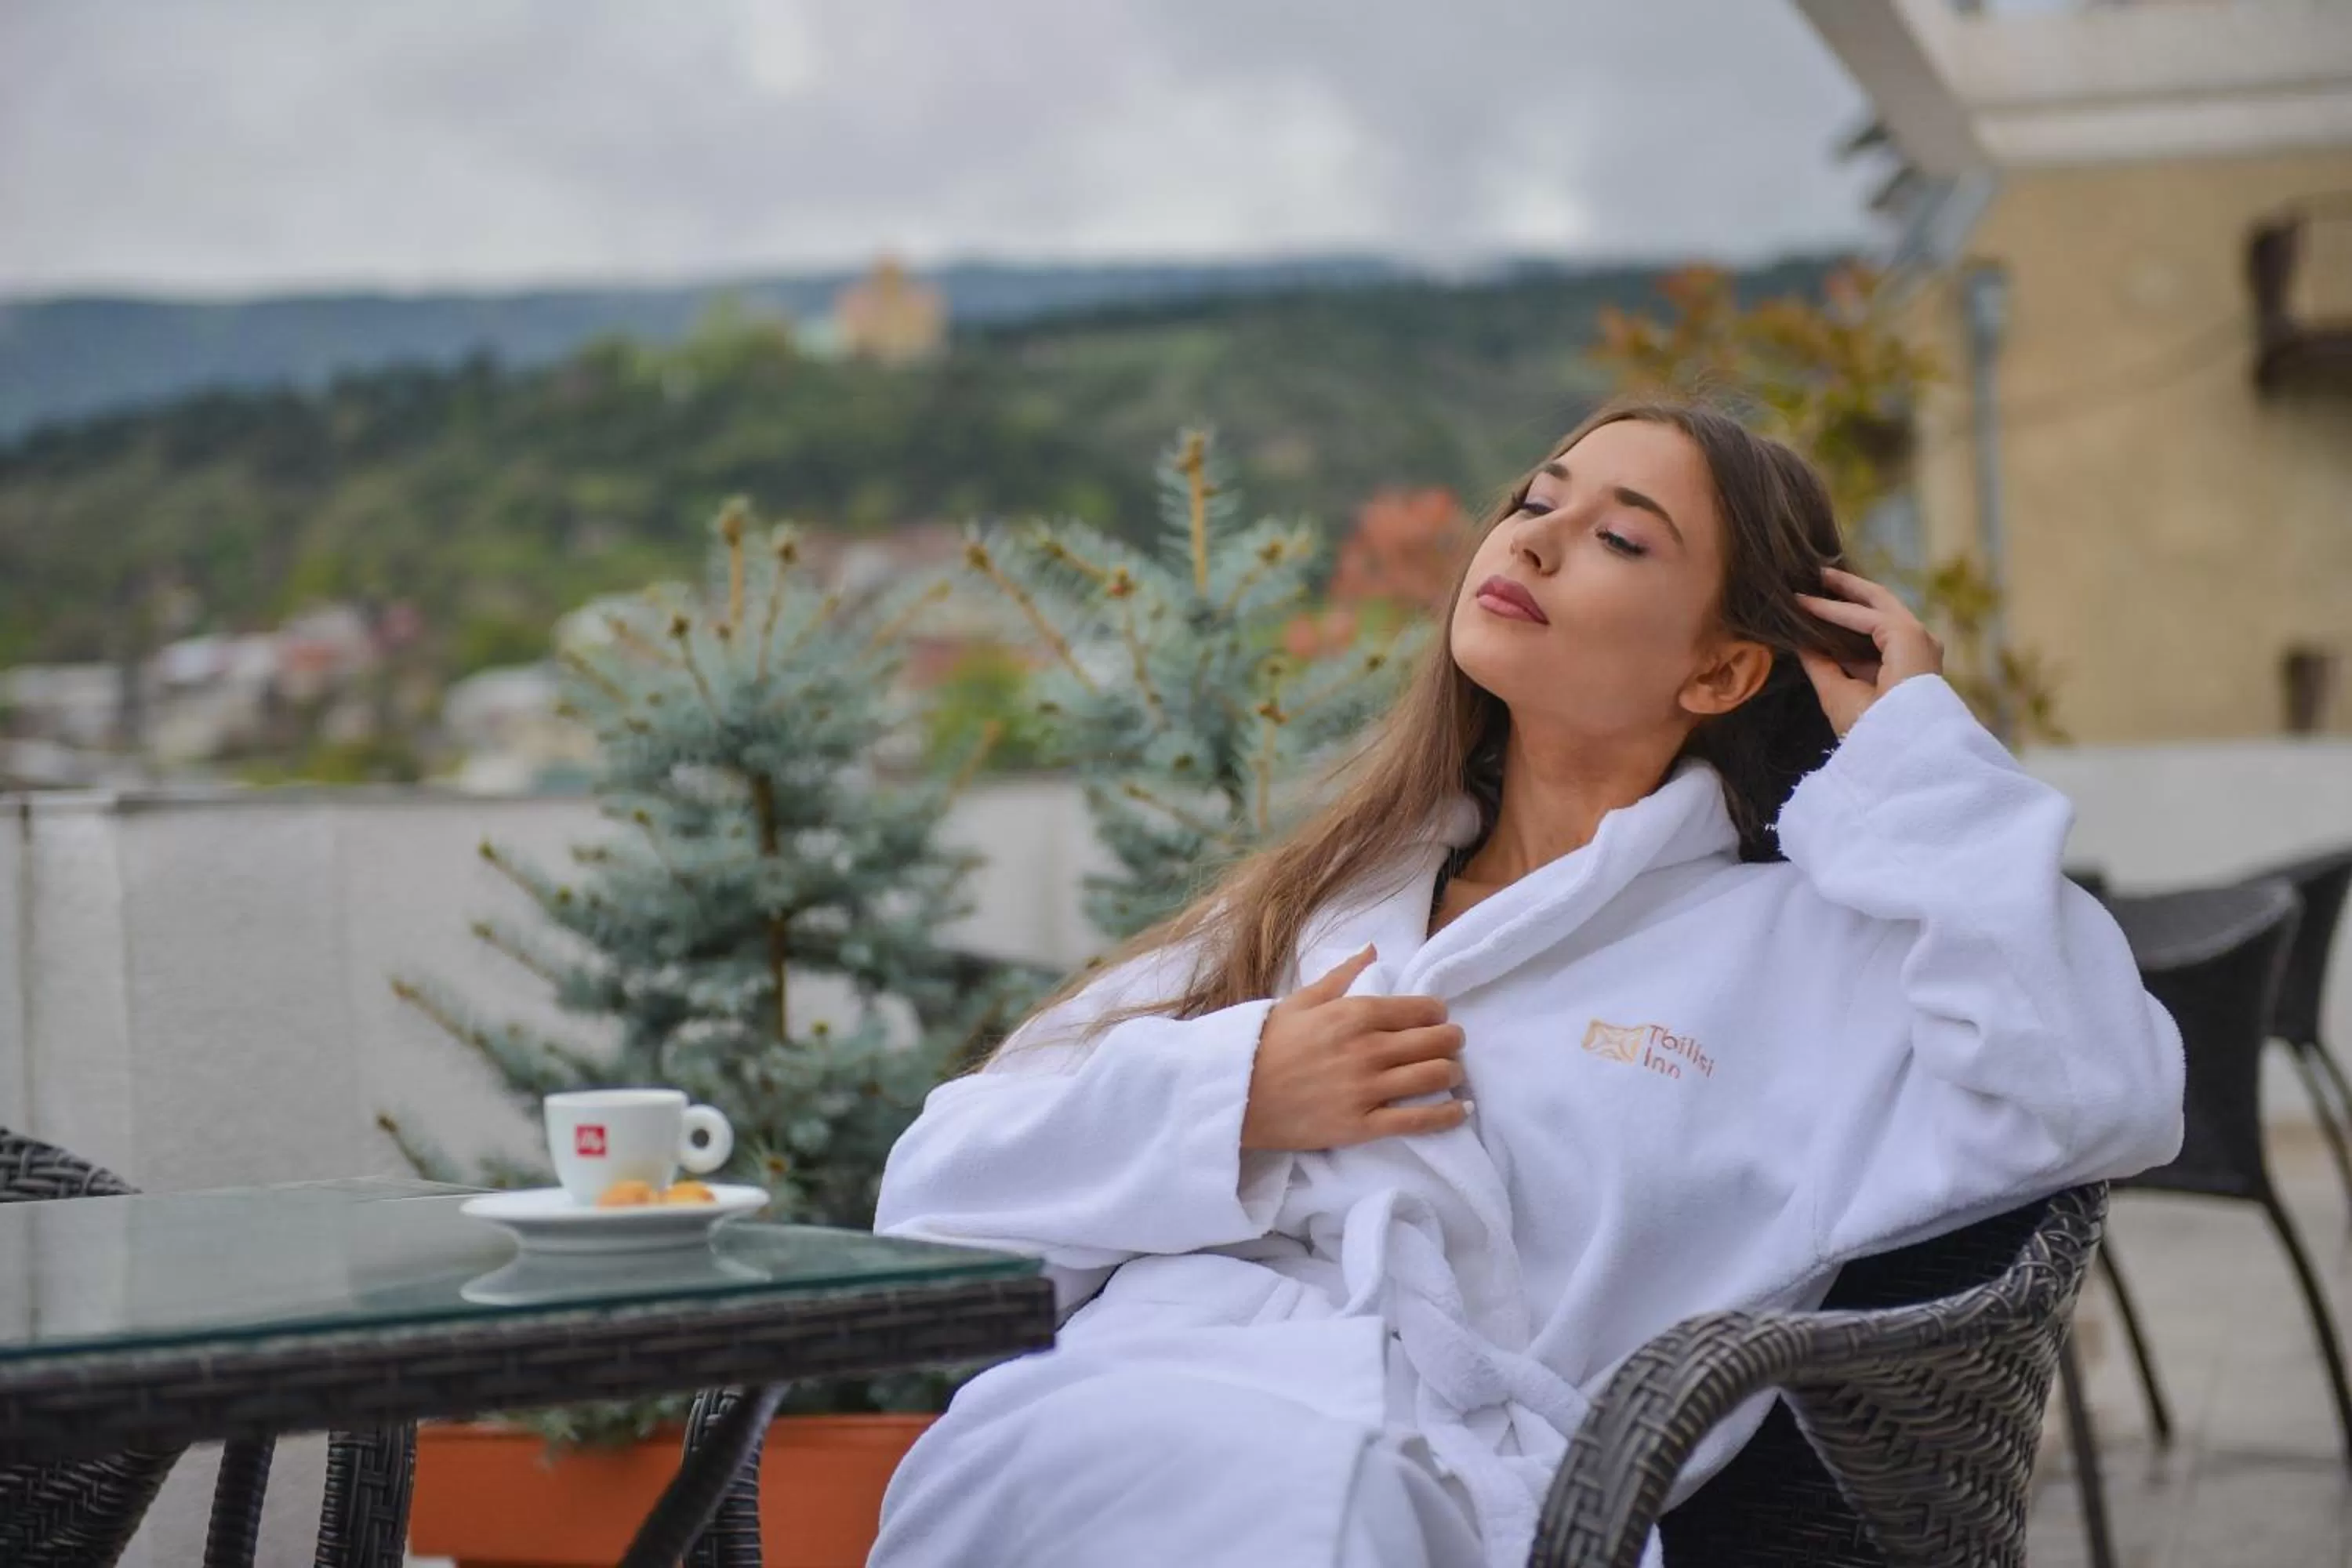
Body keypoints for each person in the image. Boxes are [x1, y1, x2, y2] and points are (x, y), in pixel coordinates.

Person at [866, 401, 2184, 1568]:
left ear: (1721, 669)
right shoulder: (1323, 902)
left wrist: (1911, 755)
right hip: (1111, 1404)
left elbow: (2097, 1085)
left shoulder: (1799, 949)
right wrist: (1236, 1099)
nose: (1535, 542)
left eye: (1621, 537)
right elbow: (935, 1196)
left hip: (1416, 1479)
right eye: (1534, 503)